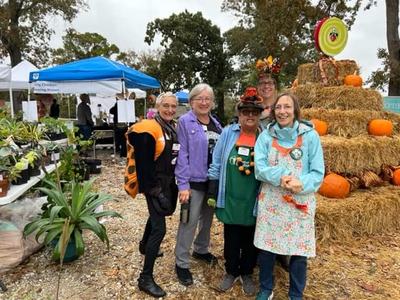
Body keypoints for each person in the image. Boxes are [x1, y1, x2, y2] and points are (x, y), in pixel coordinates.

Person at [253, 93, 325, 300]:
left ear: (295, 110)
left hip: (299, 201)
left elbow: (318, 173)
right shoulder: (266, 136)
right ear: (273, 111)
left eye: (287, 107)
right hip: (273, 200)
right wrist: (282, 177)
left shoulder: (310, 136)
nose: (283, 111)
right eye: (279, 107)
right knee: (267, 247)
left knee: (299, 250)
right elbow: (260, 169)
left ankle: (296, 293)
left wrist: (301, 183)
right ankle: (266, 289)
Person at [207, 87, 263, 295]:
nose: (250, 116)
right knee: (231, 236)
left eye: (254, 112)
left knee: (251, 238)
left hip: (253, 198)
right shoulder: (228, 133)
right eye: (245, 112)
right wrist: (212, 190)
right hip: (230, 195)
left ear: (260, 115)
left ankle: (247, 273)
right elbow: (216, 162)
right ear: (239, 114)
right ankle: (231, 271)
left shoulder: (264, 137)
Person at [126, 92, 179, 298]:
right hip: (153, 184)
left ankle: (143, 245)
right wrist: (156, 192)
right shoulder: (148, 129)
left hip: (167, 181)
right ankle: (145, 278)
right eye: (165, 105)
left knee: (156, 215)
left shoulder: (171, 126)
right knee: (160, 228)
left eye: (173, 106)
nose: (170, 109)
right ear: (157, 106)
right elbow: (144, 166)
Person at [174, 83, 223, 286]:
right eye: (199, 99)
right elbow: (181, 154)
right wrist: (182, 184)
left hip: (211, 182)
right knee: (189, 221)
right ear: (191, 101)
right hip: (193, 181)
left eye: (207, 99)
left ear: (212, 102)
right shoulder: (185, 122)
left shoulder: (216, 124)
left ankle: (201, 249)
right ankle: (182, 263)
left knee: (207, 219)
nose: (204, 102)